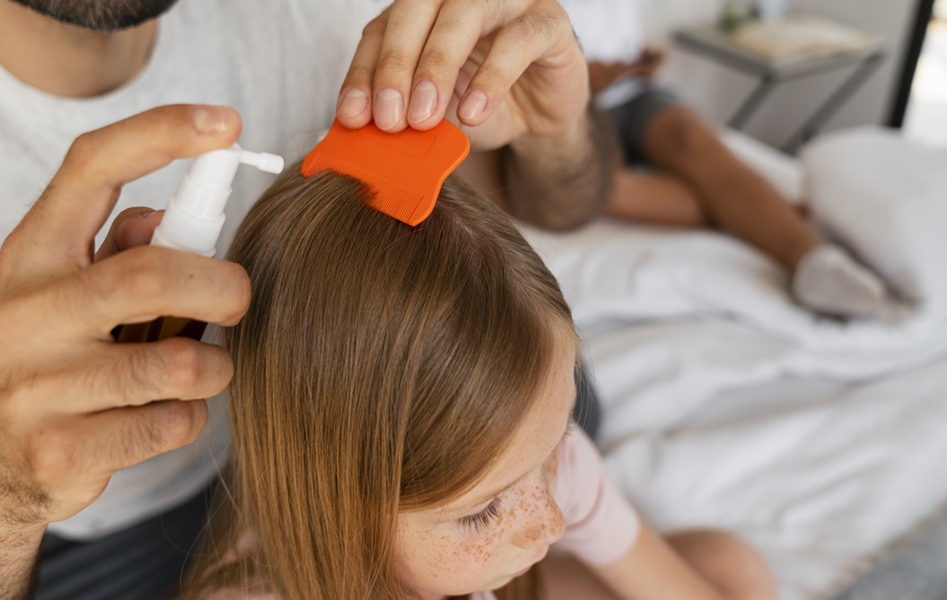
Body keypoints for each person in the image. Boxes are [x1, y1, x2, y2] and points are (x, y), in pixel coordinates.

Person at [0, 0, 608, 598]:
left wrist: (559, 133)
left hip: (360, 433)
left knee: (573, 418)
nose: (544, 518)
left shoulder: (348, 22)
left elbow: (556, 205)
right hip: (103, 529)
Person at [177, 163, 779, 599]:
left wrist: (527, 476)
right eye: (481, 512)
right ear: (337, 501)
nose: (550, 521)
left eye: (555, 442)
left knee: (729, 567)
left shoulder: (541, 465)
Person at [557, 0, 889, 318]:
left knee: (692, 137)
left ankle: (813, 259)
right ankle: (781, 215)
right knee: (597, 189)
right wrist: (578, 79)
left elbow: (617, 39)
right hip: (568, 109)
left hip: (633, 94)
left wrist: (640, 59)